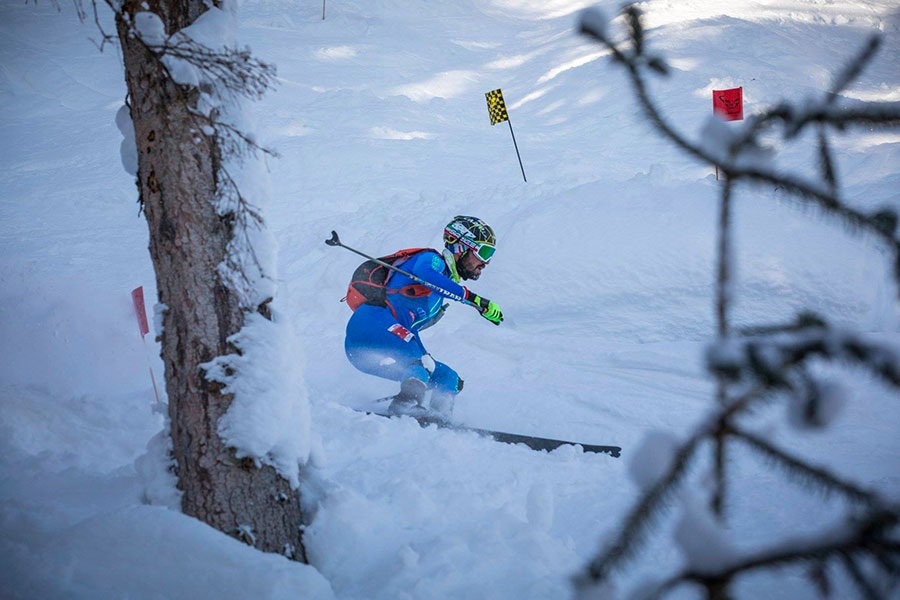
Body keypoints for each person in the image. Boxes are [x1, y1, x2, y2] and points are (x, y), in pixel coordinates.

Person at [343, 215, 503, 419]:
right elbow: (427, 275)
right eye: (484, 252)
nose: (486, 262)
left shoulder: (438, 296)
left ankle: (440, 414)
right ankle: (405, 404)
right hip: (371, 323)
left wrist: (433, 376)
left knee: (447, 377)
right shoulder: (431, 260)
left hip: (380, 345)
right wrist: (476, 301)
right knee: (421, 364)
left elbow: (410, 333)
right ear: (460, 247)